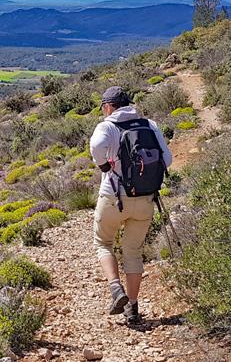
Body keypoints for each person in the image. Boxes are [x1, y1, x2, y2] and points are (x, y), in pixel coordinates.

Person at [90, 86, 172, 324]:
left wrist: (105, 166)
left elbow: (96, 147)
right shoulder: (150, 125)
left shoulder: (107, 126)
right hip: (146, 198)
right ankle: (133, 308)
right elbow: (167, 159)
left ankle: (116, 289)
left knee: (103, 242)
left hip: (114, 196)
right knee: (133, 252)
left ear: (108, 107)